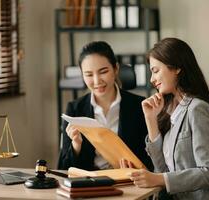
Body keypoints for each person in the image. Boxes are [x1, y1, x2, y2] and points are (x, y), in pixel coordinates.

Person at [127, 38, 209, 199]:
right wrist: (151, 120)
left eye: (155, 71)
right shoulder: (170, 110)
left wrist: (159, 179)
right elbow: (162, 169)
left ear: (176, 68)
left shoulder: (197, 109)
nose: (151, 79)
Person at [57, 41, 153, 171]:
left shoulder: (139, 106)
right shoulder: (74, 109)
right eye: (89, 74)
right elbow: (62, 169)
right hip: (90, 186)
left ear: (116, 68)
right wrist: (76, 145)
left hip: (131, 183)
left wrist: (135, 168)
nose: (97, 81)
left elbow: (152, 161)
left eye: (103, 72)